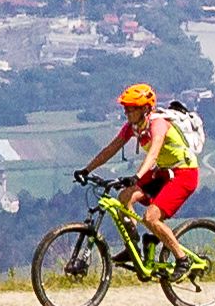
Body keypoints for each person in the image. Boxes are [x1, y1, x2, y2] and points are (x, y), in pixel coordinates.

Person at [74, 81, 205, 259]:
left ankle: (182, 259)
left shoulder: (158, 124)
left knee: (150, 218)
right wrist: (86, 170)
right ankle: (133, 248)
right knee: (124, 197)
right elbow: (110, 149)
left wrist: (136, 176)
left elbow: (153, 154)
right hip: (164, 172)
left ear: (144, 109)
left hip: (184, 174)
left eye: (131, 108)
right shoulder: (132, 127)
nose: (126, 112)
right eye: (125, 108)